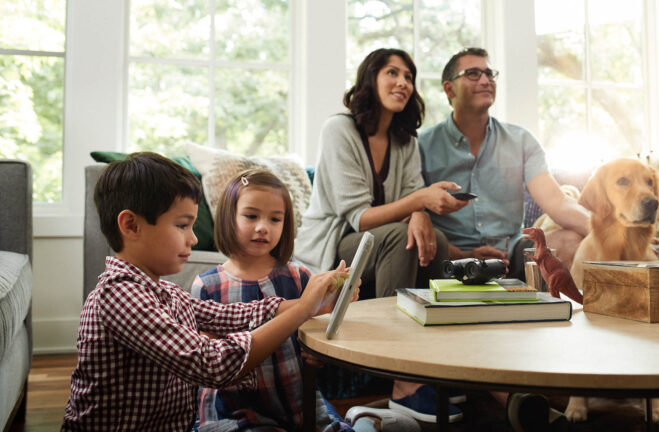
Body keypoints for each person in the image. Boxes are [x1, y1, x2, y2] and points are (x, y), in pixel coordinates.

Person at [62, 153, 347, 431]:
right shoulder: (120, 296)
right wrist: (301, 310)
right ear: (131, 225)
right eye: (182, 225)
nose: (194, 237)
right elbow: (213, 363)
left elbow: (229, 314)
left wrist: (313, 304)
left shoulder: (165, 291)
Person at [418, 47, 590, 430]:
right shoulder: (421, 145)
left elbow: (557, 203)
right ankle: (503, 389)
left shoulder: (521, 140)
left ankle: (568, 366)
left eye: (490, 72)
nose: (486, 79)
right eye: (473, 74)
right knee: (436, 253)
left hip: (513, 250)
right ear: (449, 88)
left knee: (563, 243)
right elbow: (413, 204)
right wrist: (462, 250)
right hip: (450, 256)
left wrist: (614, 232)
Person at [293, 47, 467, 424]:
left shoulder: (405, 140)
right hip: (336, 243)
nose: (402, 83)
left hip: (379, 243)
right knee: (395, 238)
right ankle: (402, 382)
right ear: (370, 79)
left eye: (408, 77)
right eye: (392, 73)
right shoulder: (338, 128)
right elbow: (359, 217)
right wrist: (418, 202)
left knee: (434, 247)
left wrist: (420, 210)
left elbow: (411, 195)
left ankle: (442, 369)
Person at [190, 169, 417, 432]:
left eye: (275, 219)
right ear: (229, 217)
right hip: (235, 412)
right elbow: (213, 365)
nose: (263, 227)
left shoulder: (299, 276)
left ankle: (364, 421)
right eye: (251, 216)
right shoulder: (208, 285)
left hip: (300, 403)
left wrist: (316, 350)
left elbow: (315, 339)